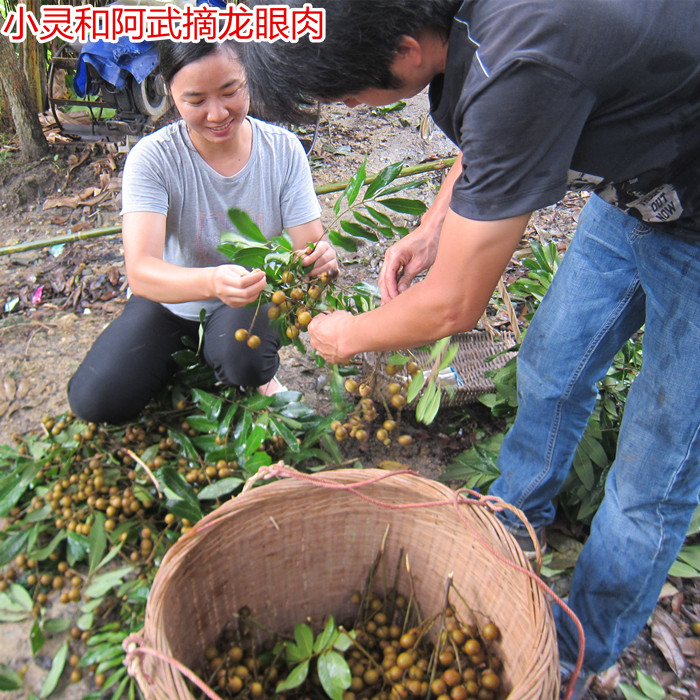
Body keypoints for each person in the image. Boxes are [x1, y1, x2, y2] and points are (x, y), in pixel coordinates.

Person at [237, 1, 700, 696]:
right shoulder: (469, 31)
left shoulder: (524, 59)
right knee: (551, 364)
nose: (353, 107)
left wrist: (346, 335)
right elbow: (499, 127)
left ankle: (577, 652)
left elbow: (455, 305)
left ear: (403, 50)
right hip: (638, 180)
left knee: (653, 472)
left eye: (348, 94)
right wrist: (434, 225)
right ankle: (515, 519)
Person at [68, 38, 337, 425]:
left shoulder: (283, 151)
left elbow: (308, 248)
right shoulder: (154, 158)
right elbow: (142, 272)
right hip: (170, 302)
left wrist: (321, 259)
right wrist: (213, 281)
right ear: (168, 91)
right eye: (196, 101)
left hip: (252, 298)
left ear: (250, 79)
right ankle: (191, 356)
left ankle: (244, 369)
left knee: (244, 360)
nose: (217, 114)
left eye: (231, 91)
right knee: (95, 400)